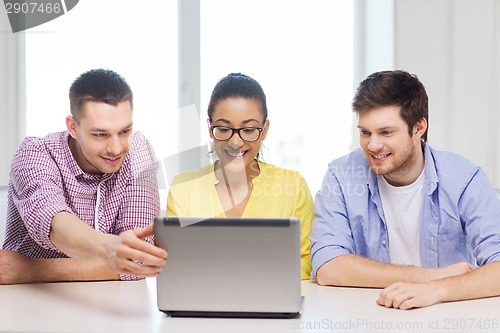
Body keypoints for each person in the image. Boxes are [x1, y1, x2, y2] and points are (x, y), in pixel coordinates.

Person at [310, 70, 500, 309]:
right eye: (365, 132)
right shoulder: (341, 176)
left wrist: (437, 291)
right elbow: (329, 267)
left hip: (444, 316)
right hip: (369, 316)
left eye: (386, 132)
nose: (373, 145)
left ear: (418, 128)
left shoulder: (464, 179)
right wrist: (433, 276)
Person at [0, 69, 167, 284]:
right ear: (73, 127)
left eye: (124, 131)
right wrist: (110, 251)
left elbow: (137, 262)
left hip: (109, 301)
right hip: (26, 300)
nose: (116, 148)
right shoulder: (35, 154)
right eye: (100, 134)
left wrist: (31, 271)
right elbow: (55, 223)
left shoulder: (139, 151)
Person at [167, 73, 314, 279]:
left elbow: (306, 261)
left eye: (248, 129)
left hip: (271, 301)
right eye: (224, 129)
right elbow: (176, 263)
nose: (236, 142)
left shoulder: (293, 186)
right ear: (210, 129)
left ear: (264, 130)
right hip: (204, 304)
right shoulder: (184, 188)